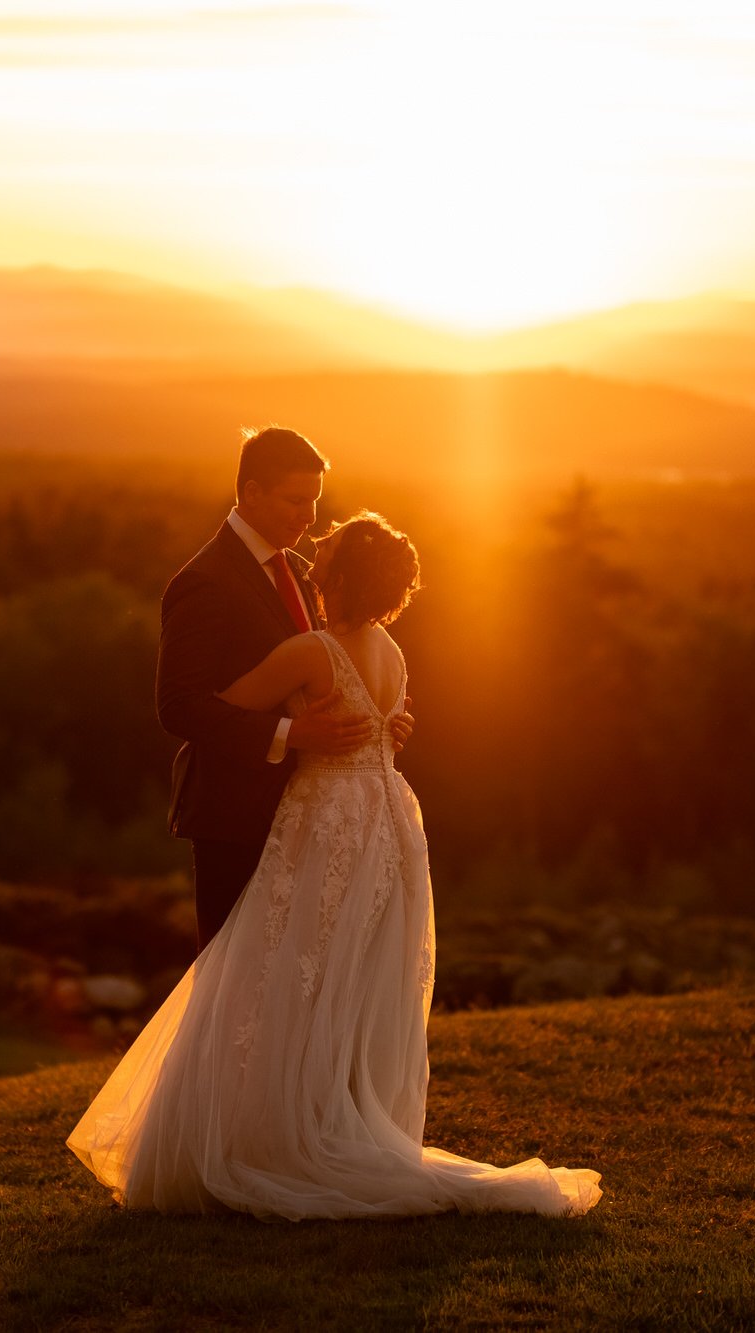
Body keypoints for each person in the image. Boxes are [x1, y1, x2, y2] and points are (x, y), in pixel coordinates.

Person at [68, 510, 602, 1220]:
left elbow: (219, 705)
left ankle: (263, 1134)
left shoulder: (311, 651)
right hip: (388, 819)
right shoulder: (393, 650)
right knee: (347, 978)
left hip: (328, 821)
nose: (313, 575)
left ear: (343, 579)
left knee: (274, 968)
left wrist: (292, 723)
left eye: (324, 569)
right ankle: (326, 1115)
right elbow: (389, 721)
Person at [154, 426, 411, 950]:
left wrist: (383, 724)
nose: (309, 518)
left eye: (313, 502)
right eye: (296, 501)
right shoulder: (205, 580)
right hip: (235, 816)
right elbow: (179, 706)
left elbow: (332, 665)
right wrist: (290, 735)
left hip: (314, 818)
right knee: (233, 984)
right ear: (251, 493)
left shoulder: (303, 570)